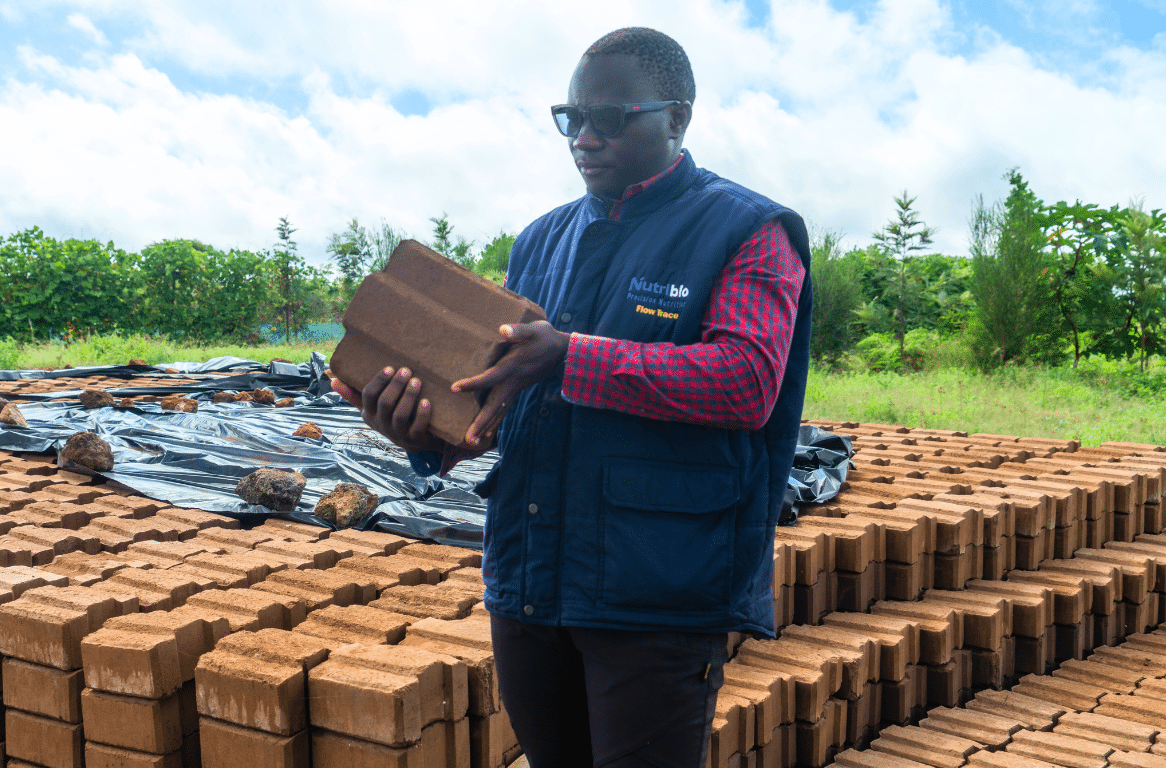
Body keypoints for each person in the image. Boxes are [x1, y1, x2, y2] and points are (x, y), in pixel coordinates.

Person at [332, 26, 812, 768]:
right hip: (529, 577)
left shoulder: (747, 231)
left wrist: (568, 359)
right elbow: (502, 405)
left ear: (677, 117)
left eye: (611, 119)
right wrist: (424, 435)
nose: (584, 138)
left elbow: (744, 380)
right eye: (570, 118)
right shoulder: (540, 240)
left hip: (652, 593)